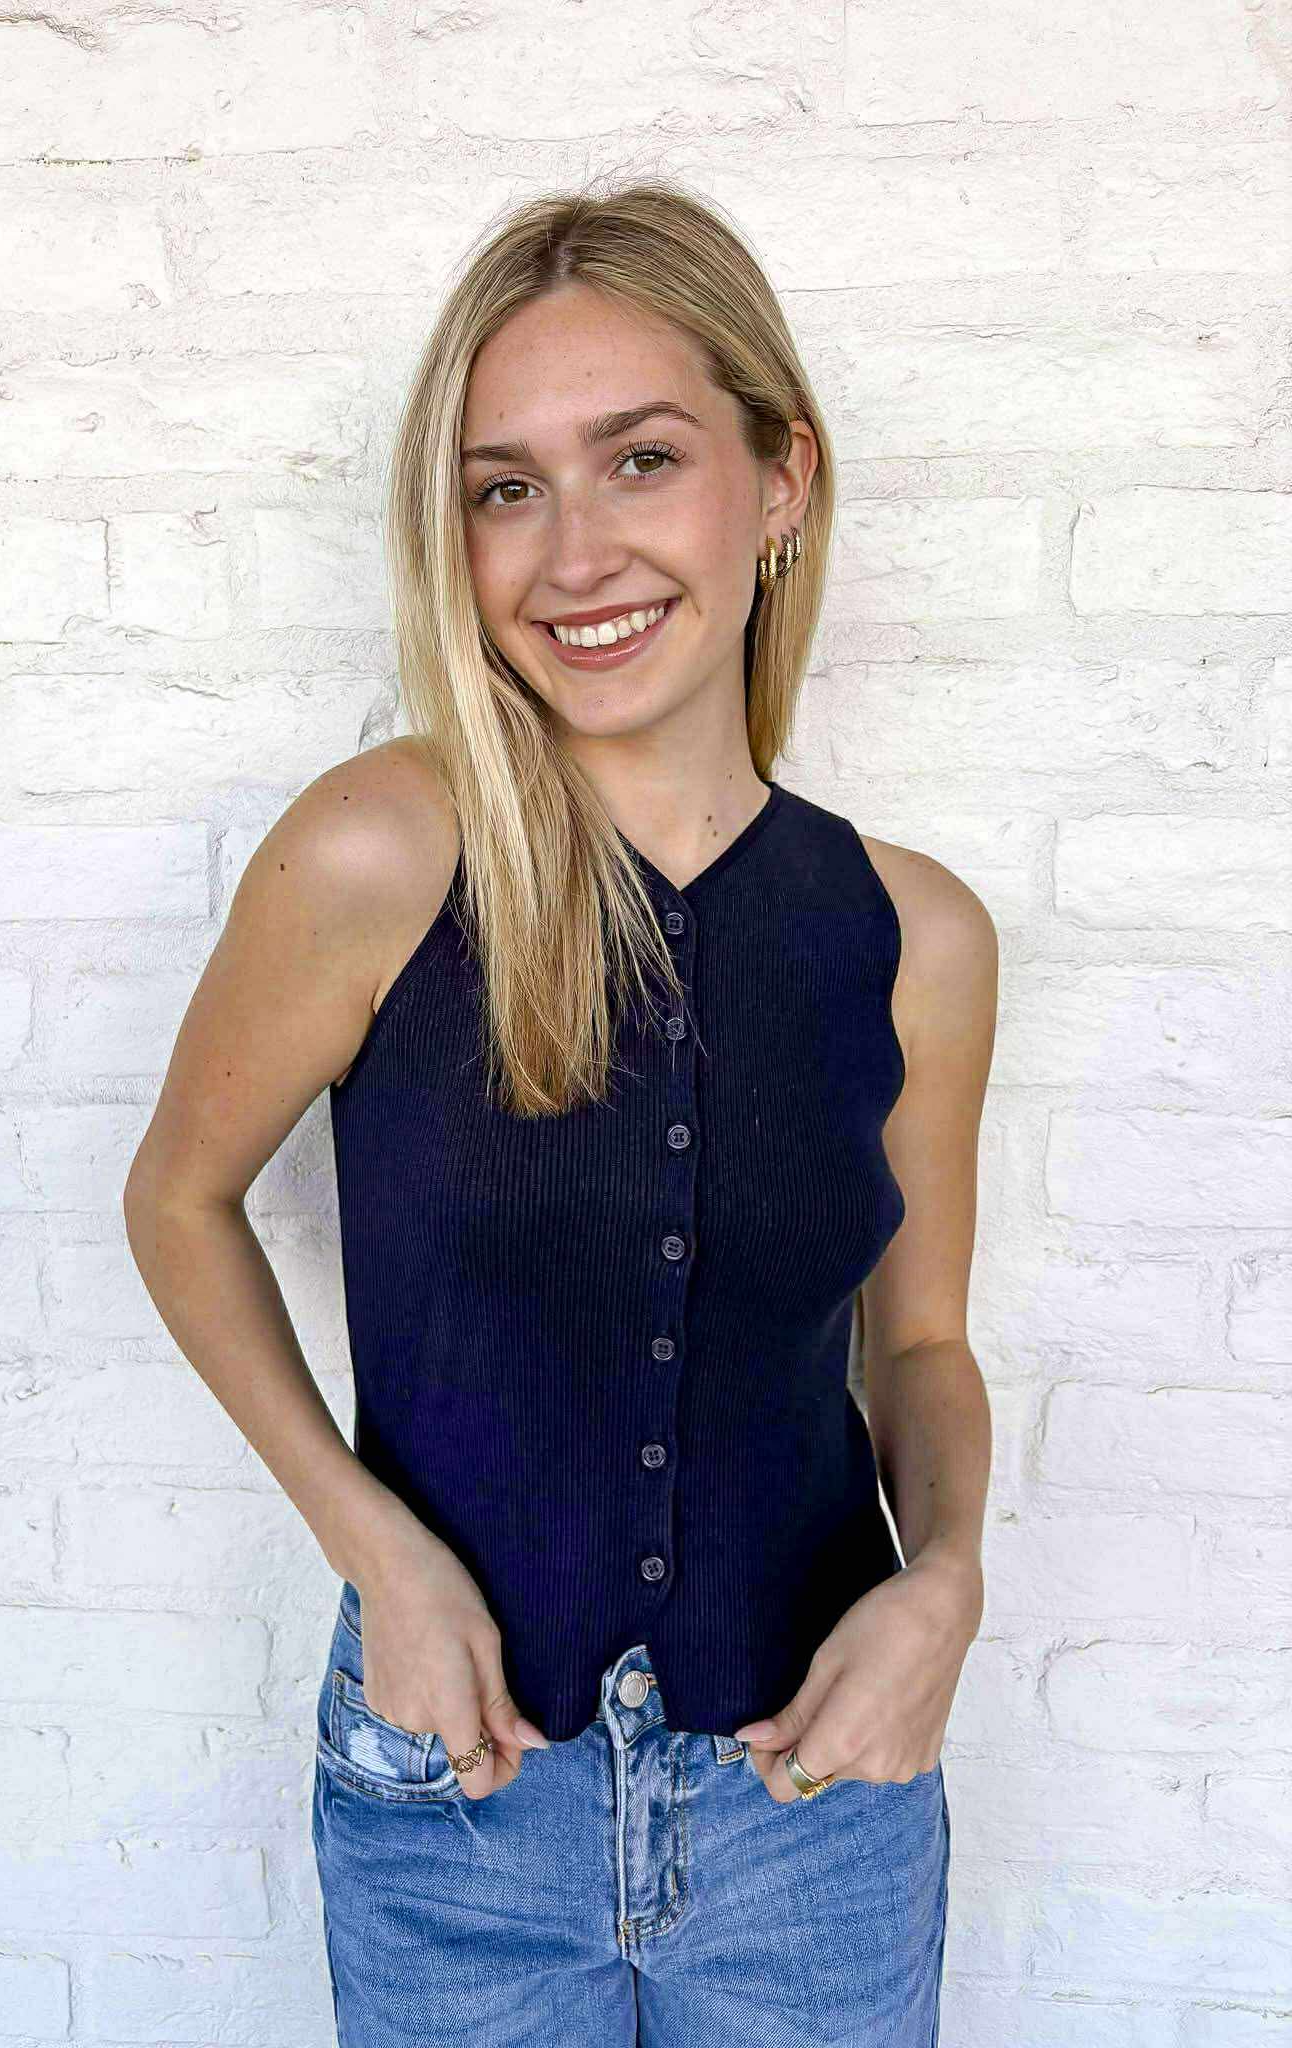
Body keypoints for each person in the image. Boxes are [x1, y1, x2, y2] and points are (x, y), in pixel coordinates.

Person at [124, 175, 997, 2046]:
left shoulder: (915, 936)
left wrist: (949, 1586)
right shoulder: (379, 853)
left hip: (819, 1813)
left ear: (782, 479)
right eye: (506, 488)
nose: (573, 554)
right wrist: (376, 1550)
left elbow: (920, 1345)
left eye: (642, 460)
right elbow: (177, 1201)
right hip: (460, 1800)